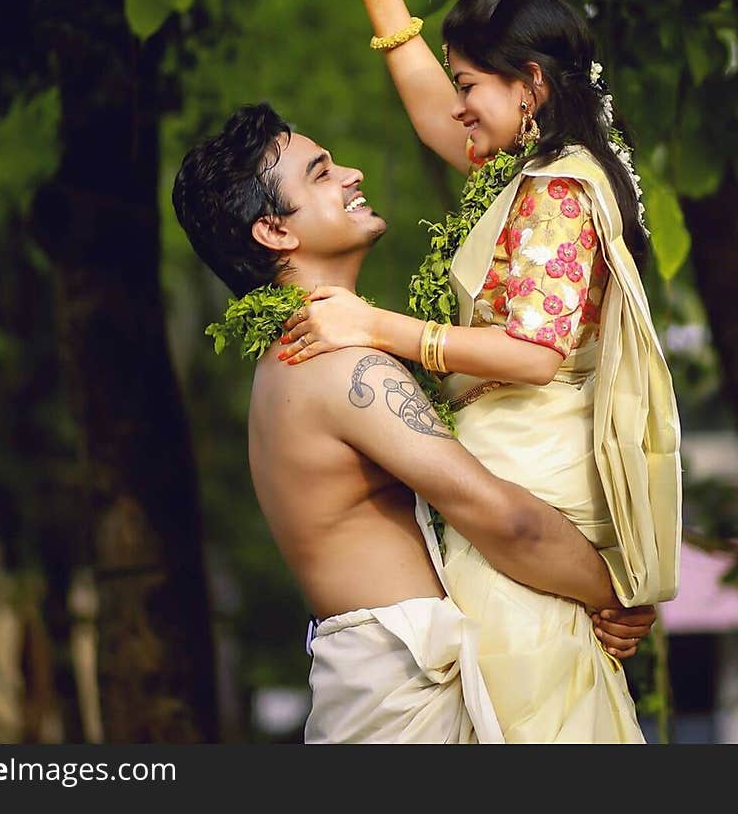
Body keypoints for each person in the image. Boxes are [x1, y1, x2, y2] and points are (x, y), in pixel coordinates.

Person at [275, 0, 681, 743]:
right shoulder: (539, 166)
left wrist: (376, 326)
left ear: (529, 86)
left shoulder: (558, 192)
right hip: (521, 487)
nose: (458, 108)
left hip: (534, 491)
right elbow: (439, 112)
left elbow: (532, 352)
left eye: (472, 86)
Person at [172, 104, 656, 745]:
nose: (351, 174)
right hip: (404, 698)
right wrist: (616, 592)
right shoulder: (339, 367)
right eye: (320, 174)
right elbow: (498, 516)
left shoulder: (295, 360)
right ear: (273, 231)